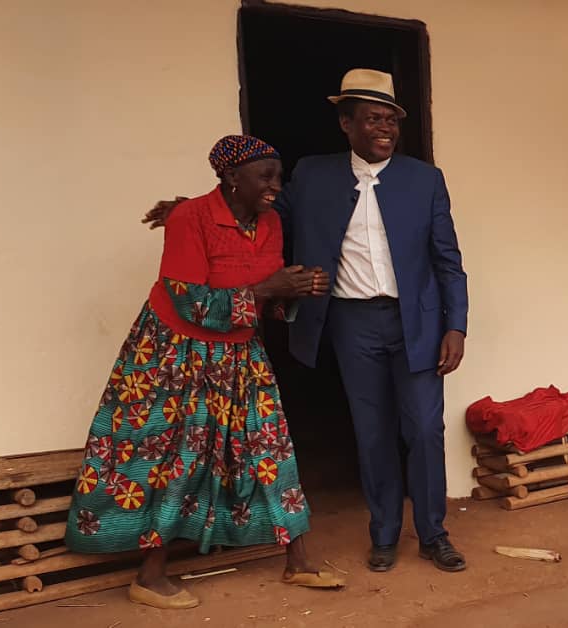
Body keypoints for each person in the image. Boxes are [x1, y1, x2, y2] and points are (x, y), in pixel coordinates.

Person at [144, 69, 469, 573]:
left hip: (417, 322)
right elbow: (259, 205)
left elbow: (447, 258)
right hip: (351, 321)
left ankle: (433, 534)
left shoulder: (425, 179)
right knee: (372, 431)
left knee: (425, 428)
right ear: (347, 123)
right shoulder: (313, 174)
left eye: (391, 120)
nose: (384, 128)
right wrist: (191, 209)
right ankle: (383, 535)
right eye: (373, 119)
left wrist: (457, 325)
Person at [68, 135, 345, 611]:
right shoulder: (190, 218)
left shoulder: (271, 222)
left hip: (239, 353)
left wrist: (294, 292)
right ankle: (149, 576)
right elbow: (188, 300)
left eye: (278, 176)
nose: (275, 186)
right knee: (179, 457)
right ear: (231, 178)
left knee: (270, 449)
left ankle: (297, 561)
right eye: (266, 175)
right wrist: (266, 288)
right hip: (177, 355)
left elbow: (265, 303)